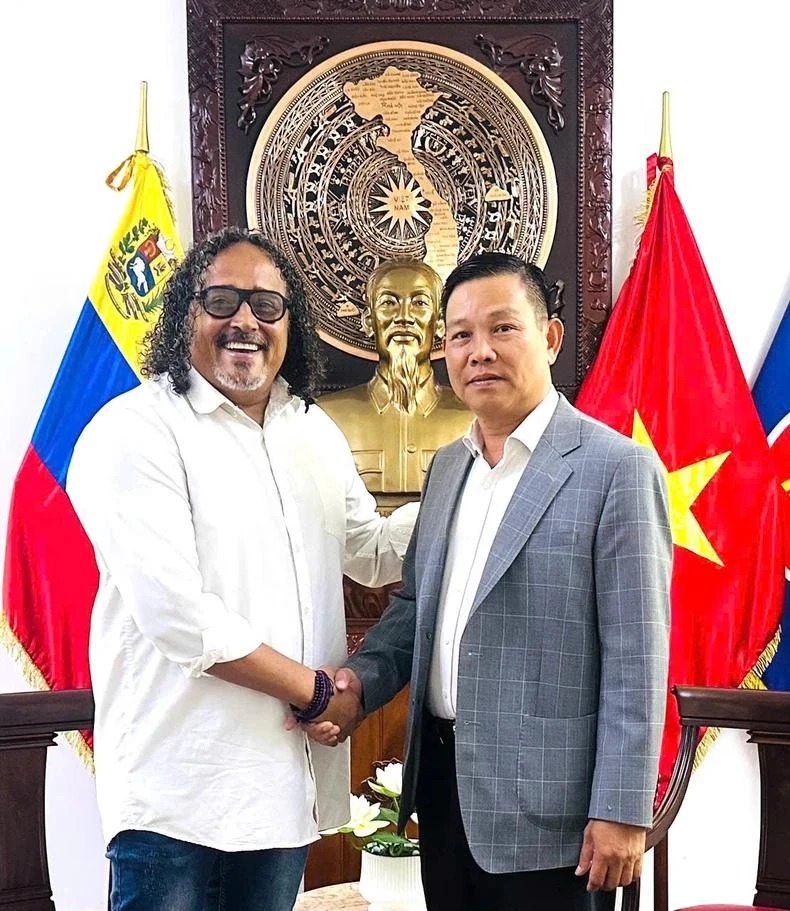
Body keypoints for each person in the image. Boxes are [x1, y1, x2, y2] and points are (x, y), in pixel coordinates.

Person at [66, 226, 414, 911]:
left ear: (291, 324)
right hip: (178, 794)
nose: (245, 320)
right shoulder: (135, 430)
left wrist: (472, 486)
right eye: (222, 300)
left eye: (267, 304)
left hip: (283, 788)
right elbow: (178, 616)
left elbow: (371, 550)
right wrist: (318, 691)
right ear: (185, 314)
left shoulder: (310, 430)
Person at [314, 252, 672, 910]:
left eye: (502, 328)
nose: (479, 350)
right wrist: (358, 683)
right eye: (460, 335)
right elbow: (416, 607)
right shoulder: (450, 467)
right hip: (446, 795)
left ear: (550, 337)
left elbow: (637, 655)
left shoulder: (616, 470)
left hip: (559, 818)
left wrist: (622, 808)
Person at [319, 259, 471, 494]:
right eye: (389, 303)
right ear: (369, 322)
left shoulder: (472, 420)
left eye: (419, 303)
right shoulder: (325, 419)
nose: (404, 317)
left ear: (440, 323)